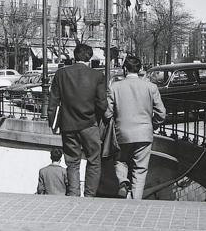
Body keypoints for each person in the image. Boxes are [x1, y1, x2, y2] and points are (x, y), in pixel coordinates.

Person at [47, 43, 107, 197]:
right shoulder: (97, 76)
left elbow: (53, 101)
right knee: (94, 160)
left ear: (74, 56)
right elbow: (102, 104)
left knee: (72, 162)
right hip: (90, 125)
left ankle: (73, 194)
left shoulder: (61, 74)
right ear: (90, 57)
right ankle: (89, 195)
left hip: (68, 125)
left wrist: (53, 123)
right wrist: (96, 119)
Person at [105, 54, 166, 199]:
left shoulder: (115, 87)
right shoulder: (151, 87)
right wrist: (153, 125)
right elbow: (162, 113)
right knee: (140, 169)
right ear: (140, 69)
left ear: (125, 69)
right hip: (144, 133)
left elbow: (107, 113)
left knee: (120, 160)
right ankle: (136, 201)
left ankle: (123, 182)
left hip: (122, 133)